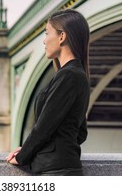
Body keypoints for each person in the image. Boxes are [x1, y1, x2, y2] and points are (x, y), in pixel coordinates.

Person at [6, 9, 90, 176]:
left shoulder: (68, 76)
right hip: (63, 168)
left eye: (47, 33)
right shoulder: (76, 75)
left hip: (56, 172)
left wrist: (23, 155)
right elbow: (80, 133)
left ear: (62, 37)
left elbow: (44, 125)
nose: (44, 41)